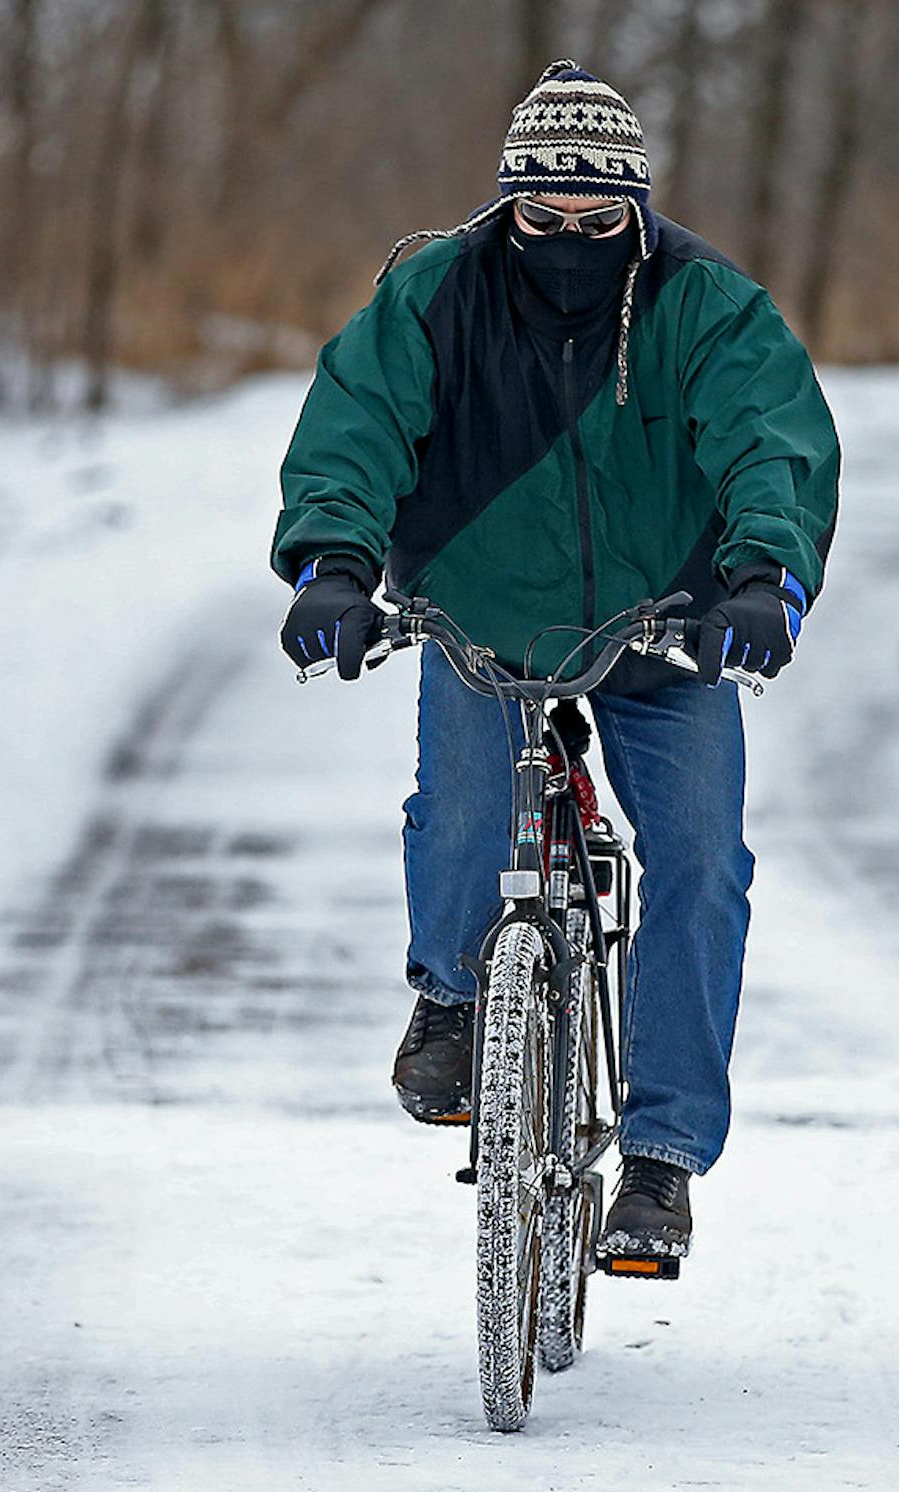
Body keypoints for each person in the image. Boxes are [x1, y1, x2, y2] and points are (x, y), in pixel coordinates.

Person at [270, 60, 841, 1269]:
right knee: (469, 808)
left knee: (700, 859)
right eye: (544, 217)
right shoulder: (437, 294)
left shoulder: (705, 307)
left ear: (637, 209)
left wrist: (761, 581)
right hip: (481, 615)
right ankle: (454, 993)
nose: (571, 241)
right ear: (506, 206)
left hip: (665, 621)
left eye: (600, 221)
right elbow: (356, 426)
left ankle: (662, 1158)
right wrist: (333, 562)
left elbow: (769, 445)